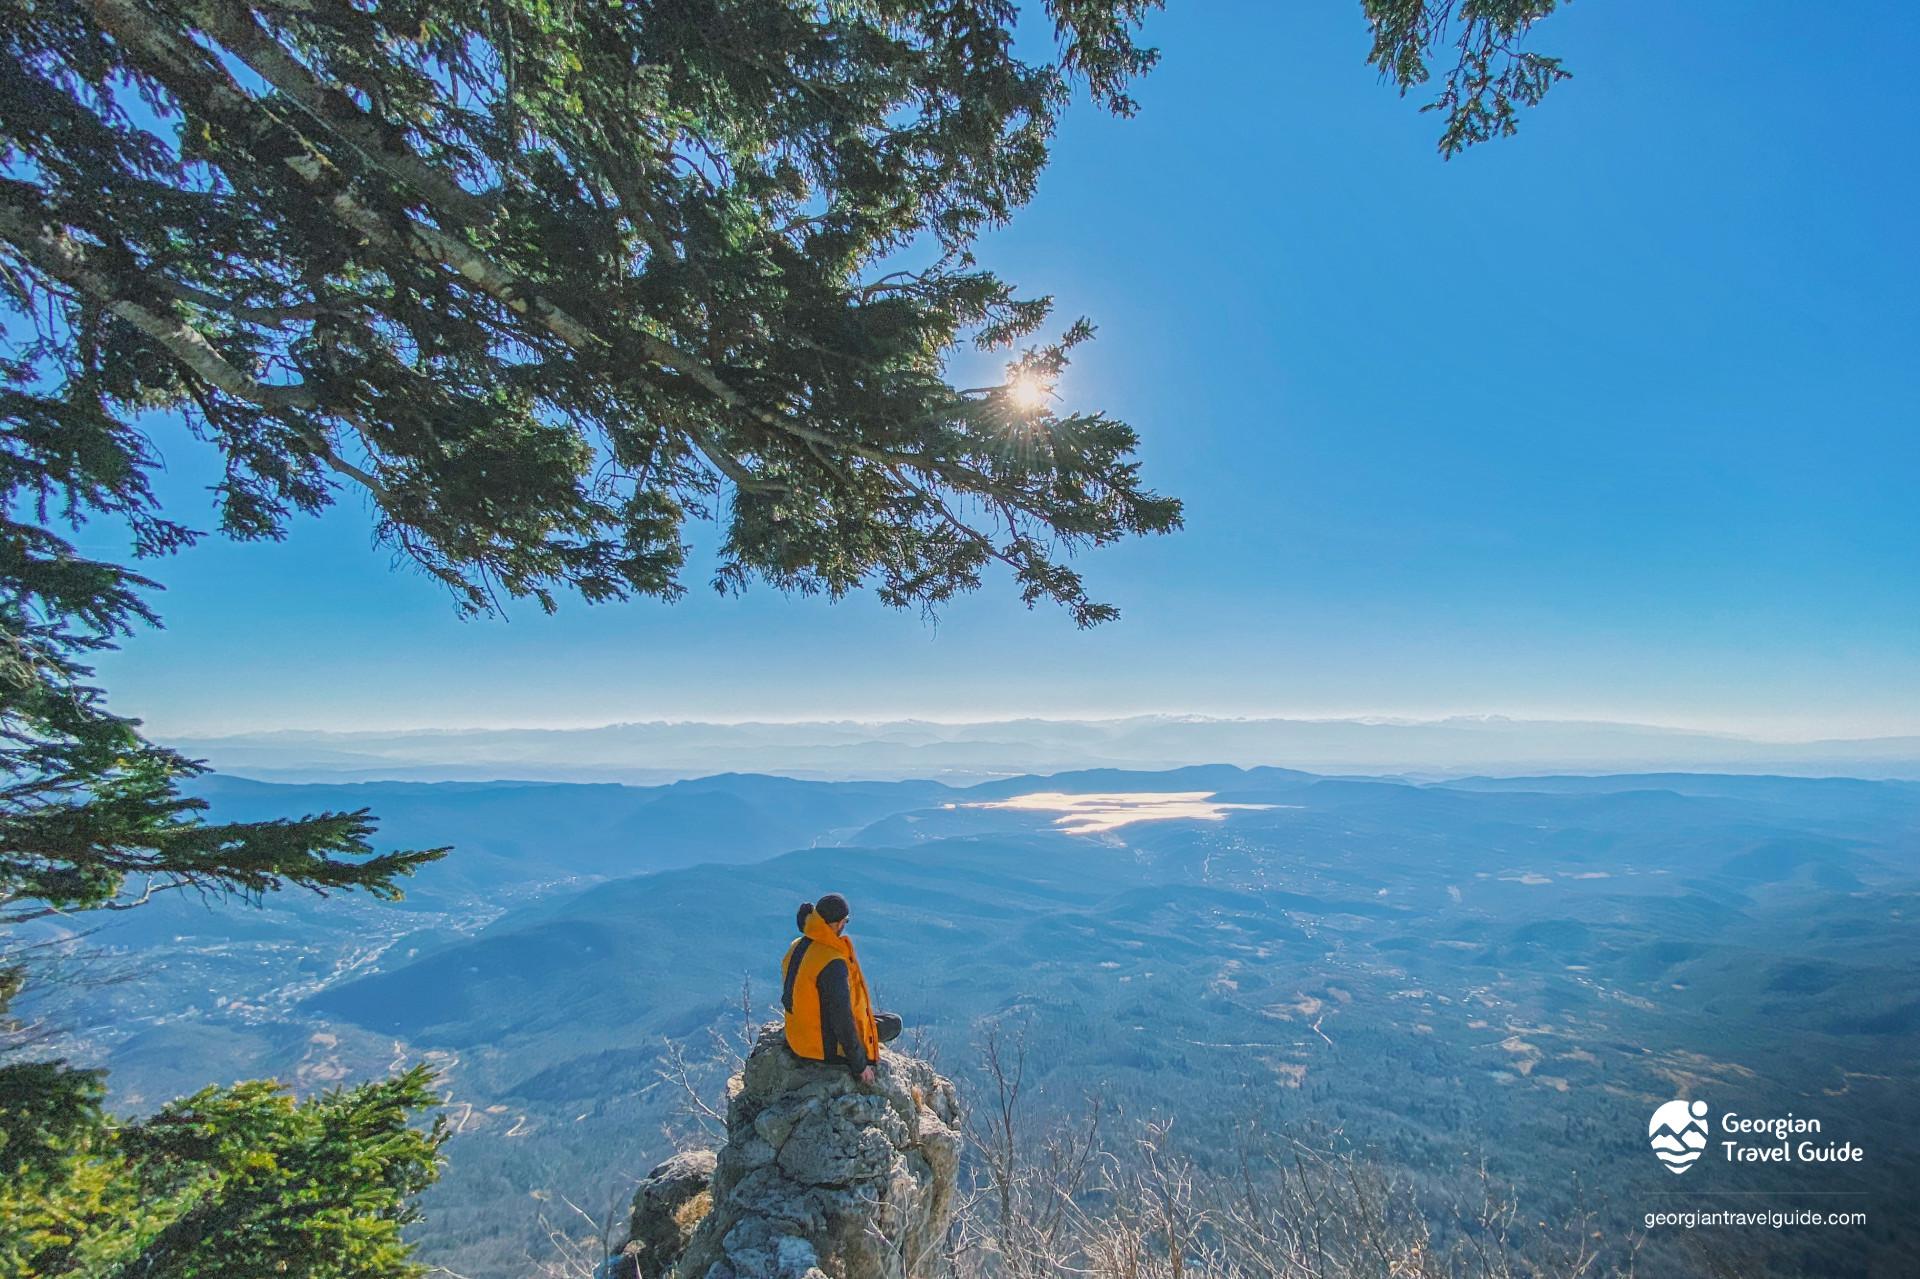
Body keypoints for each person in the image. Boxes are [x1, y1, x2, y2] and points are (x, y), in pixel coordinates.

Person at [781, 893, 902, 1083]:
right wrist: (860, 1065)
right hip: (822, 1047)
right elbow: (841, 1019)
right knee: (894, 1024)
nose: (845, 925)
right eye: (845, 921)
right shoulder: (831, 961)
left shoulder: (796, 946)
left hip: (797, 1036)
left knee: (873, 1019)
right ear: (837, 923)